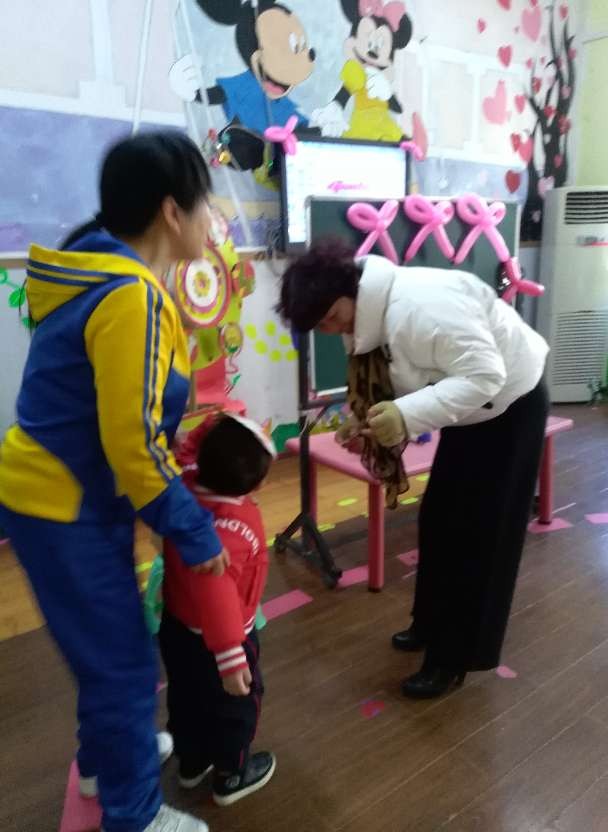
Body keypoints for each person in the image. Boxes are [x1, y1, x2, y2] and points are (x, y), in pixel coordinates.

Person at [0, 131, 228, 832]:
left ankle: (106, 761)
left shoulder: (104, 275)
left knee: (107, 648)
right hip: (64, 504)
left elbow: (124, 421)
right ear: (171, 210)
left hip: (55, 497)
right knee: (125, 664)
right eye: (206, 203)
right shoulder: (132, 296)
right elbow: (131, 445)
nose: (214, 218)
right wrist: (194, 531)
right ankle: (134, 815)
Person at [277, 238, 550, 699]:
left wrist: (402, 416)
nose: (330, 329)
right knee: (440, 519)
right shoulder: (368, 310)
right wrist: (367, 423)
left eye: (330, 317)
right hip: (472, 410)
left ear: (347, 290)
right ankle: (429, 625)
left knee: (479, 540)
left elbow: (486, 376)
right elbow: (403, 378)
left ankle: (452, 658)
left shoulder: (420, 309)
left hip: (510, 406)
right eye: (320, 325)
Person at [159, 413, 277, 806]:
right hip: (223, 639)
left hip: (177, 625)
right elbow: (217, 594)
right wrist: (230, 655)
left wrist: (215, 426)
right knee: (236, 705)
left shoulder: (187, 484)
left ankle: (192, 764)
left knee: (186, 696)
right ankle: (232, 773)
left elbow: (188, 452)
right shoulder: (230, 530)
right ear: (257, 485)